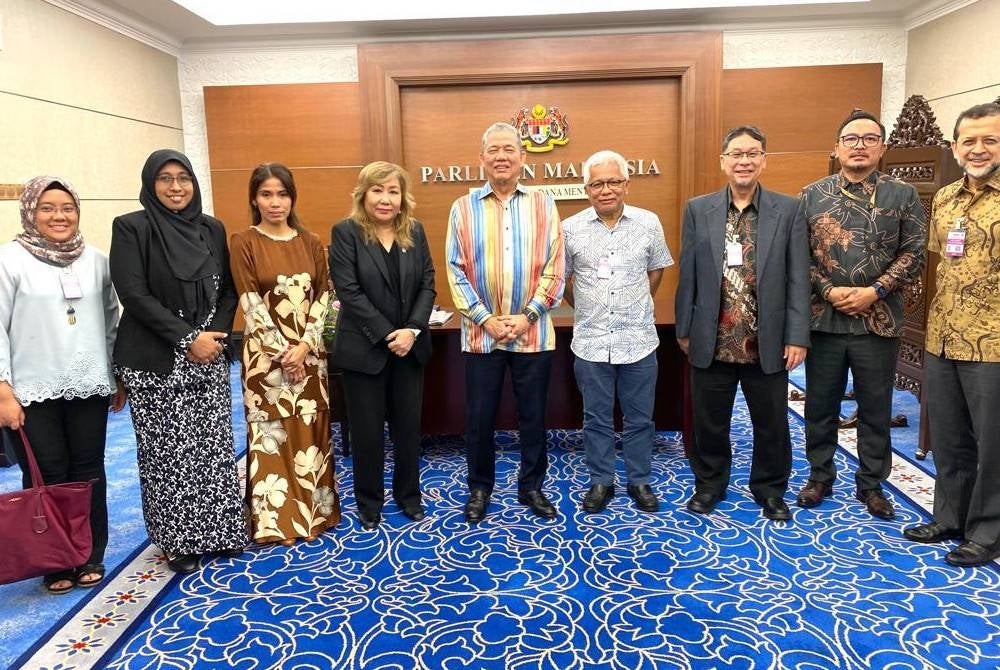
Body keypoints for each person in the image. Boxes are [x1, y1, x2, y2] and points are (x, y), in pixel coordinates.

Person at [110, 149, 248, 573]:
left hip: (207, 356)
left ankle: (219, 531)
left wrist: (213, 338)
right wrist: (188, 338)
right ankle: (178, 540)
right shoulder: (133, 228)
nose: (175, 187)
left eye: (183, 178)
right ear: (151, 184)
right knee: (166, 454)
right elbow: (134, 294)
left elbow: (227, 290)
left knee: (211, 449)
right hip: (156, 360)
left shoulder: (212, 228)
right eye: (165, 179)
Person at [675, 126, 810, 520]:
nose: (744, 161)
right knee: (709, 423)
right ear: (723, 161)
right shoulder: (698, 209)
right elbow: (689, 273)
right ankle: (710, 484)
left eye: (753, 153)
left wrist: (797, 335)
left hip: (765, 339)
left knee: (770, 424)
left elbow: (798, 277)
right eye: (736, 154)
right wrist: (684, 327)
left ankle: (769, 489)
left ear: (764, 160)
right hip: (712, 337)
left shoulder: (788, 209)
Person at [796, 110, 926, 519]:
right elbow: (797, 256)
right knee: (820, 405)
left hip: (879, 318)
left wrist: (876, 290)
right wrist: (829, 289)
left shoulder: (902, 194)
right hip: (826, 319)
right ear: (836, 148)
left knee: (875, 405)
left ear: (882, 148)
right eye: (851, 139)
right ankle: (821, 476)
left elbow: (915, 252)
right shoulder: (811, 195)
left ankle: (871, 484)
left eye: (869, 139)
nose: (859, 146)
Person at [0, 176, 124, 593]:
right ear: (30, 211)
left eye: (67, 207)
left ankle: (89, 552)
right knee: (47, 473)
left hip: (89, 383)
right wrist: (2, 390)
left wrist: (115, 374)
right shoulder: (9, 261)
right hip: (31, 389)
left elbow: (111, 322)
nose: (59, 216)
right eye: (48, 207)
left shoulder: (96, 261)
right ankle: (55, 559)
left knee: (88, 471)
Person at [446, 122, 565, 523]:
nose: (502, 156)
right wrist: (487, 319)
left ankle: (532, 486)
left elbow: (555, 267)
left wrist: (528, 314)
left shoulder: (544, 204)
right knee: (479, 416)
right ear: (482, 158)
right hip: (482, 335)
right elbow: (454, 270)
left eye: (509, 149)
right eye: (493, 149)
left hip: (533, 331)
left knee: (534, 415)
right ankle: (479, 488)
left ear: (522, 157)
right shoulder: (462, 208)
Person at [903, 102, 1000, 566]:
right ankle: (950, 515)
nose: (978, 149)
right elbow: (942, 262)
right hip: (943, 337)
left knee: (993, 442)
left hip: (995, 344)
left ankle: (988, 531)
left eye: (990, 140)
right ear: (955, 146)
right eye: (969, 141)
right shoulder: (944, 198)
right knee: (949, 435)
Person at [230, 163, 340, 545]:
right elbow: (249, 300)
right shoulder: (243, 241)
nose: (275, 202)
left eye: (282, 194)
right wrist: (283, 354)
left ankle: (315, 515)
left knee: (309, 430)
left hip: (310, 356)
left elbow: (325, 297)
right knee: (271, 433)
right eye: (266, 194)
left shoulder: (310, 241)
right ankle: (277, 521)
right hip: (266, 360)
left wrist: (305, 347)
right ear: (254, 199)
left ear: (292, 197)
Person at [562, 150, 673, 514]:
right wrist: (589, 308)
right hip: (591, 341)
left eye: (613, 181)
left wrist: (633, 304)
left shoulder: (648, 223)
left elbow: (656, 270)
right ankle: (601, 481)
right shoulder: (570, 228)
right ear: (586, 188)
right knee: (596, 418)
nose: (605, 189)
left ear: (626, 184)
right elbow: (563, 280)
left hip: (638, 341)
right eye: (597, 183)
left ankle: (639, 480)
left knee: (640, 416)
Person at [329, 162, 436, 530]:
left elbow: (428, 284)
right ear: (363, 194)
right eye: (378, 190)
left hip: (410, 350)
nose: (386, 199)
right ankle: (369, 502)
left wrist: (412, 330)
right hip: (365, 350)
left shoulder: (415, 232)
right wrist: (391, 333)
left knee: (408, 429)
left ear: (403, 196)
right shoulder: (346, 233)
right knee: (368, 431)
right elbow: (349, 291)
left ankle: (409, 497)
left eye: (393, 191)